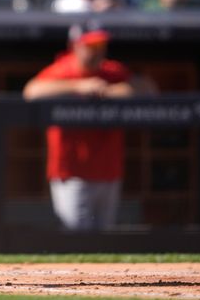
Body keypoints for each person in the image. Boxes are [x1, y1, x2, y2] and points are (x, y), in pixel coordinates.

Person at [23, 23, 156, 230]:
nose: (97, 50)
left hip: (109, 170)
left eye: (100, 44)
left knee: (106, 239)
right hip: (72, 172)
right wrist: (78, 87)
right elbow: (31, 91)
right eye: (91, 45)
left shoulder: (111, 71)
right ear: (75, 45)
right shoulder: (63, 70)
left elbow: (147, 88)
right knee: (75, 236)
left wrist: (110, 90)